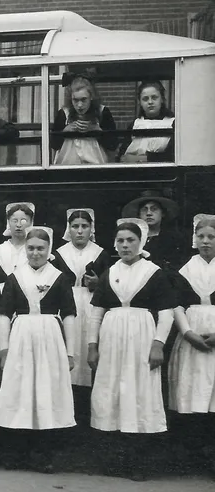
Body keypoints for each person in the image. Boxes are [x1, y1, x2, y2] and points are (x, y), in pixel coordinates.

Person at [87, 218, 177, 481]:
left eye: (131, 240)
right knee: (112, 392)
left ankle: (138, 463)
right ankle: (114, 461)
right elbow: (95, 314)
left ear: (142, 242)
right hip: (112, 339)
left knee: (138, 394)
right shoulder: (109, 272)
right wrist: (92, 346)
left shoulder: (154, 272)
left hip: (141, 338)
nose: (125, 245)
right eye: (121, 241)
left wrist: (158, 344)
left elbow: (167, 314)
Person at [0, 226, 77, 473]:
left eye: (41, 248)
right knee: (20, 392)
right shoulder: (15, 277)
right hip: (21, 336)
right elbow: (3, 315)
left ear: (49, 249)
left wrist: (70, 351)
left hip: (50, 338)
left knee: (45, 391)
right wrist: (4, 348)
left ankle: (43, 455)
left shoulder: (59, 278)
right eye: (30, 248)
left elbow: (70, 315)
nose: (35, 253)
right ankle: (17, 452)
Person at [52, 209, 111, 424]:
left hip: (92, 305)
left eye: (84, 226)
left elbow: (110, 283)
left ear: (91, 229)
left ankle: (88, 412)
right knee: (69, 349)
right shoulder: (59, 253)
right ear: (69, 229)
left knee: (88, 349)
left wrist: (98, 285)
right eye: (75, 226)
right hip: (66, 306)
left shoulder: (100, 253)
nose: (79, 231)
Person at [167, 214, 215, 474]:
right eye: (201, 237)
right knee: (193, 393)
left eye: (211, 237)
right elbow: (176, 305)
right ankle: (192, 457)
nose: (206, 241)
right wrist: (187, 333)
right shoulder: (185, 268)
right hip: (192, 338)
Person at [51, 73, 117, 165]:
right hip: (67, 167)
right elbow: (53, 145)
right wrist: (65, 132)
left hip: (96, 167)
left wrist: (97, 131)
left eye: (83, 100)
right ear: (71, 99)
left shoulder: (103, 112)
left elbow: (113, 145)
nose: (79, 105)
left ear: (91, 97)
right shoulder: (63, 114)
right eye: (75, 100)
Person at [121, 190, 185, 274]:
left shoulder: (174, 239)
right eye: (144, 209)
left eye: (154, 209)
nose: (148, 213)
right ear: (139, 214)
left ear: (163, 213)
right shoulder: (132, 239)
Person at [119, 81, 175, 163]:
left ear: (162, 99)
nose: (150, 102)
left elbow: (172, 156)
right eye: (145, 99)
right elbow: (122, 157)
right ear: (140, 102)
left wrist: (143, 159)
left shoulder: (172, 123)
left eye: (154, 97)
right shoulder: (135, 125)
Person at [0, 202, 35, 286]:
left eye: (23, 221)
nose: (18, 225)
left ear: (31, 223)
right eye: (14, 220)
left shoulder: (36, 251)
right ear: (8, 223)